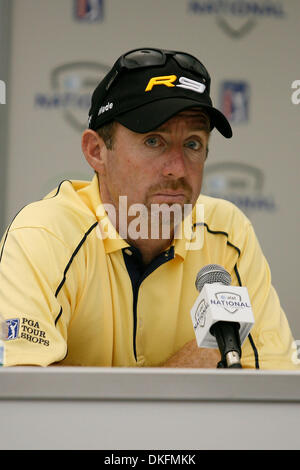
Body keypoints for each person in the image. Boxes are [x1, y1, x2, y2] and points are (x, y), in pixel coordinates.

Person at [0, 48, 297, 369]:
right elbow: (24, 400)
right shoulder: (45, 235)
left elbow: (272, 387)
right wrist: (190, 366)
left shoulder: (227, 233)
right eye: (154, 141)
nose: (178, 169)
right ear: (97, 151)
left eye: (193, 144)